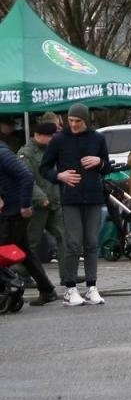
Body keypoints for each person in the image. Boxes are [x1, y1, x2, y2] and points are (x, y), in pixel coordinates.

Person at [41, 103, 111, 306]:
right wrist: (59, 175)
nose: (73, 124)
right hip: (70, 199)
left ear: (85, 120)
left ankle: (91, 287)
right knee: (73, 244)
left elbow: (107, 166)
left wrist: (100, 162)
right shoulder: (59, 139)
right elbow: (44, 168)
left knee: (91, 243)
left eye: (77, 121)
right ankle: (70, 289)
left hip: (94, 197)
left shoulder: (97, 138)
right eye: (70, 120)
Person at [0, 141, 54, 306]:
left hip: (15, 212)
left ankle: (10, 288)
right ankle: (47, 290)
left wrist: (24, 205)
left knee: (3, 252)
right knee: (25, 252)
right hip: (11, 210)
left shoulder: (3, 154)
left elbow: (26, 176)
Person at [18, 120, 60, 305]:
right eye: (49, 136)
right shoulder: (26, 154)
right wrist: (40, 198)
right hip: (37, 205)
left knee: (64, 236)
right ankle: (21, 274)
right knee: (30, 243)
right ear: (39, 135)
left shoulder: (50, 151)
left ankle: (69, 275)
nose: (52, 139)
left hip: (53, 202)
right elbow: (27, 179)